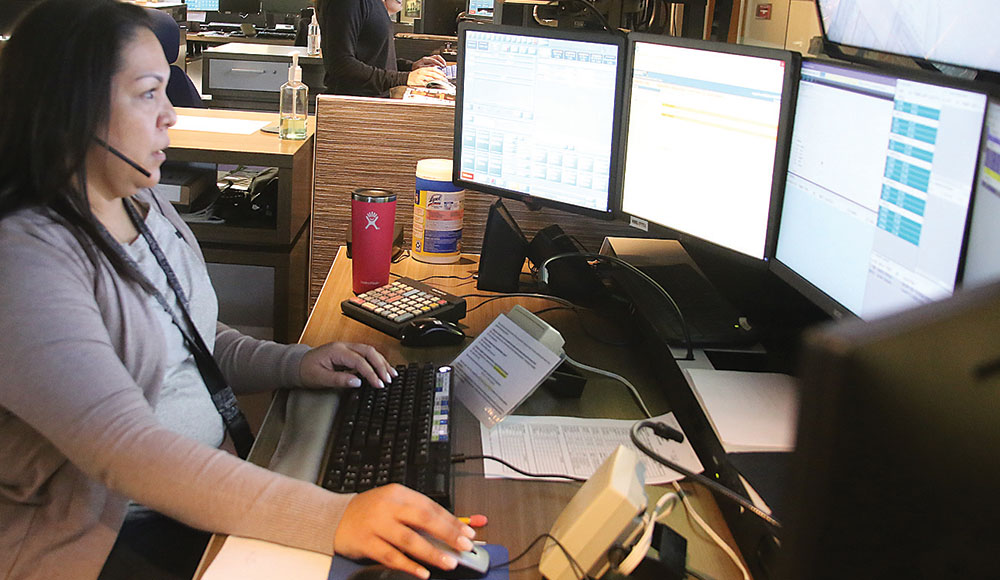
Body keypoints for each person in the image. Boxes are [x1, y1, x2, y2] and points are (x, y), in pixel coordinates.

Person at [0, 2, 474, 579]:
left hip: (202, 493)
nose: (171, 114)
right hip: (109, 534)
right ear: (69, 107)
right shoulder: (23, 259)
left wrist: (295, 364)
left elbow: (188, 339)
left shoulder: (136, 201)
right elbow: (122, 447)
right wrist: (333, 517)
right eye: (149, 92)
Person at [317, 0, 449, 97]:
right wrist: (405, 78)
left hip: (372, 104)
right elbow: (341, 64)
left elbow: (372, 58)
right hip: (355, 110)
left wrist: (410, 67)